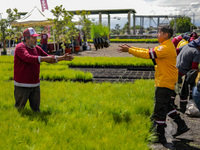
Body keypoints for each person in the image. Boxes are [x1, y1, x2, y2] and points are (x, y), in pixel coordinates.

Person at [118, 25, 189, 145]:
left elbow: (147, 55)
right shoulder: (165, 46)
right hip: (166, 81)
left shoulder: (165, 47)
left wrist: (129, 50)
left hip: (164, 82)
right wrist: (131, 47)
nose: (157, 34)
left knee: (160, 110)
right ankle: (181, 125)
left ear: (165, 35)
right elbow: (148, 51)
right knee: (166, 106)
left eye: (159, 32)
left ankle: (160, 136)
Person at [14, 27, 74, 112]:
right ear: (27, 38)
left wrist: (63, 58)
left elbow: (48, 57)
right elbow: (28, 58)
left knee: (36, 110)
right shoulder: (20, 47)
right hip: (22, 84)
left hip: (35, 84)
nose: (36, 39)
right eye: (33, 37)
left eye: (36, 37)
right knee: (19, 109)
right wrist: (44, 59)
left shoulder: (36, 48)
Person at [176, 38, 200, 113]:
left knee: (174, 89)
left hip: (175, 68)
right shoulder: (197, 52)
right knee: (184, 90)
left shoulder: (186, 46)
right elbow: (194, 68)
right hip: (183, 72)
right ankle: (183, 107)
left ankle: (171, 104)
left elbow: (176, 50)